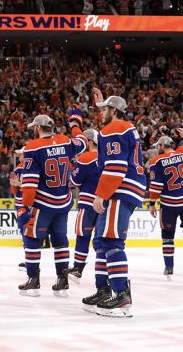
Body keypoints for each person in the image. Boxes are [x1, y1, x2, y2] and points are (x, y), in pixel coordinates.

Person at [81, 89, 147, 317]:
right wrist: (102, 103)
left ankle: (121, 296)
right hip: (127, 188)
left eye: (105, 110)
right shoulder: (122, 127)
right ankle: (103, 289)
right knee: (101, 241)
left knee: (111, 242)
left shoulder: (115, 128)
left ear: (115, 111)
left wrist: (102, 193)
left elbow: (116, 166)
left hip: (120, 189)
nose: (101, 114)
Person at [16, 114, 82, 297]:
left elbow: (29, 183)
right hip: (63, 201)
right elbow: (83, 141)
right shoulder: (66, 141)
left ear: (37, 128)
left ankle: (33, 280)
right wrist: (76, 124)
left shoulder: (33, 147)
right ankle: (62, 279)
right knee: (60, 240)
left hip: (43, 202)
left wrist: (25, 206)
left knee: (31, 238)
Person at [147, 127, 183, 279]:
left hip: (169, 205)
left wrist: (152, 203)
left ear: (163, 146)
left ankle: (169, 268)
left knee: (168, 237)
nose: (157, 149)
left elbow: (156, 185)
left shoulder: (156, 161)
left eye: (158, 146)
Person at [66, 128, 99, 281]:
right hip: (105, 202)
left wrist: (74, 165)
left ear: (90, 142)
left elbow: (73, 182)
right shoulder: (107, 156)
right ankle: (104, 269)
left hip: (87, 202)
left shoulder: (85, 158)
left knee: (82, 235)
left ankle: (78, 267)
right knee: (102, 238)